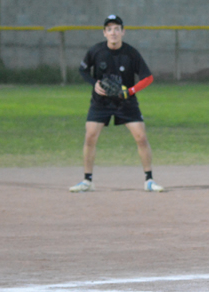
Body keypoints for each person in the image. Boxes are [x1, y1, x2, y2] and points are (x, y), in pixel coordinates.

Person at [69, 15, 163, 193]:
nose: (113, 32)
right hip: (101, 102)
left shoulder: (131, 53)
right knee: (90, 137)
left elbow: (148, 78)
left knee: (141, 137)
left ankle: (149, 180)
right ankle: (87, 181)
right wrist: (94, 83)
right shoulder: (96, 51)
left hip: (126, 102)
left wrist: (130, 91)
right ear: (104, 33)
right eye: (109, 29)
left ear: (123, 32)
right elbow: (83, 69)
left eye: (117, 28)